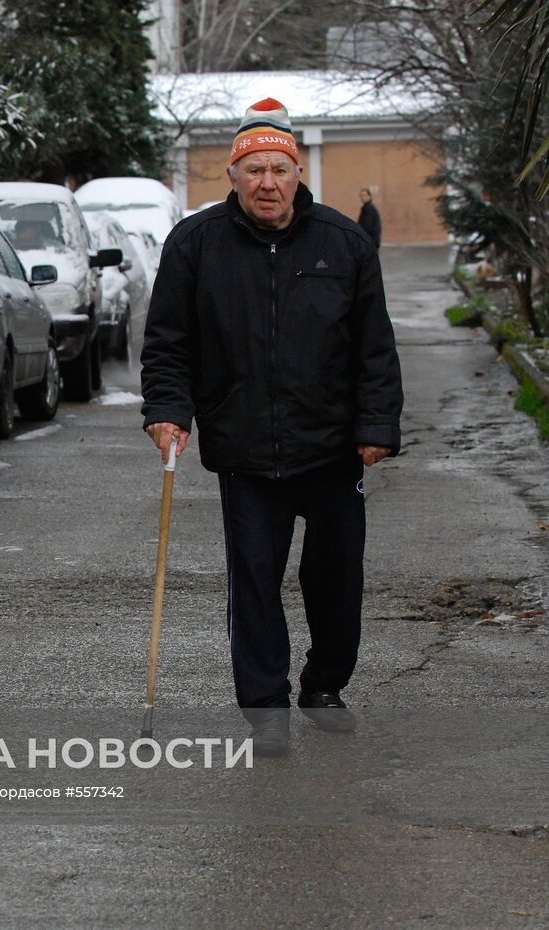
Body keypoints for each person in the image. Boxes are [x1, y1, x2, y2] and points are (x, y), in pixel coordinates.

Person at [139, 98, 403, 757]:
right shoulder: (195, 246)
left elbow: (374, 346)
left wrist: (377, 424)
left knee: (336, 576)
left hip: (332, 444)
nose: (266, 182)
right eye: (253, 168)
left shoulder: (344, 244)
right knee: (254, 578)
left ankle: (324, 683)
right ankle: (265, 708)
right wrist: (168, 410)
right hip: (245, 448)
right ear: (231, 176)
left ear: (296, 175)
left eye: (278, 168)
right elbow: (168, 343)